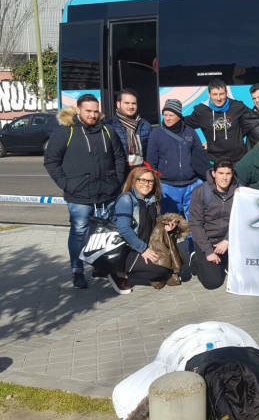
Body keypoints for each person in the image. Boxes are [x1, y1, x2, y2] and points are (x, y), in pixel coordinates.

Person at [44, 95, 126, 289]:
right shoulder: (65, 132)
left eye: (95, 111)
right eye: (88, 111)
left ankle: (101, 267)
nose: (92, 115)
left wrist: (117, 181)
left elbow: (119, 158)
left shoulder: (107, 131)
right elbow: (51, 161)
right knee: (79, 233)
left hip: (107, 194)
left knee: (104, 233)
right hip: (79, 196)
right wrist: (67, 184)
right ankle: (77, 271)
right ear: (78, 110)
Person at [110, 166, 184, 294]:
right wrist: (143, 250)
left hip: (142, 245)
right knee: (161, 270)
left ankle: (140, 270)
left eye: (150, 181)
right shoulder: (126, 199)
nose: (146, 184)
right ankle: (119, 274)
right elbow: (124, 230)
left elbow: (151, 226)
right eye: (142, 180)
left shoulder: (152, 201)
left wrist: (165, 228)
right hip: (126, 249)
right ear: (134, 181)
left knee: (170, 263)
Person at [146, 99, 209, 216]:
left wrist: (207, 177)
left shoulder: (190, 132)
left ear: (179, 116)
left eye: (171, 115)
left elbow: (199, 157)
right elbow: (151, 161)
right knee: (170, 222)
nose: (167, 118)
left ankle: (192, 236)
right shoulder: (156, 134)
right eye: (165, 115)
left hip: (191, 185)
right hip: (167, 186)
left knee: (195, 220)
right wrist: (154, 184)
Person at [188, 160, 238, 290]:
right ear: (214, 173)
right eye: (221, 173)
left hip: (230, 239)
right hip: (207, 240)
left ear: (232, 174)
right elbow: (195, 224)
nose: (225, 177)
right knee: (213, 282)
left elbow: (241, 220)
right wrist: (208, 251)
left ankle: (225, 259)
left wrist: (228, 239)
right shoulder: (201, 191)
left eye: (228, 173)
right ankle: (196, 258)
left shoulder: (238, 191)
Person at [185, 78, 258, 164]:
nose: (218, 98)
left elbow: (254, 120)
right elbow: (183, 124)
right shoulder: (201, 111)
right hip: (214, 161)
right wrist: (196, 145)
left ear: (226, 93)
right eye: (215, 94)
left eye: (221, 94)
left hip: (238, 159)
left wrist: (239, 137)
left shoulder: (237, 106)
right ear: (209, 94)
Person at [105, 88, 151, 168]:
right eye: (127, 103)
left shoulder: (145, 125)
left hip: (141, 172)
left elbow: (151, 152)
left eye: (133, 103)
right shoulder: (110, 125)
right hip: (120, 172)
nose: (131, 106)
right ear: (118, 104)